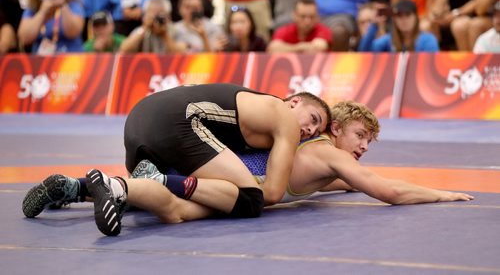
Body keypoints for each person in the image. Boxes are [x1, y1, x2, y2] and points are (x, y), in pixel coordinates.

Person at [23, 100, 473, 237]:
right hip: (234, 186)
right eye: (361, 137)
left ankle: (82, 187)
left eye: (370, 143)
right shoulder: (326, 149)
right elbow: (386, 190)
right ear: (337, 129)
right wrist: (442, 193)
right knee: (179, 209)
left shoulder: (318, 154)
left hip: (215, 172)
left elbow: (337, 184)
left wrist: (345, 186)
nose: (364, 148)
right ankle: (147, 181)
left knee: (172, 212)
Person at [22, 83, 330, 236]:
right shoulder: (285, 119)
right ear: (294, 102)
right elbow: (274, 193)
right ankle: (155, 179)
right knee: (250, 199)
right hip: (177, 123)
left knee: (162, 196)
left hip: (140, 121)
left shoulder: (256, 108)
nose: (311, 130)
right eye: (314, 118)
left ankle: (74, 188)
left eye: (318, 130)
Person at [17, 0, 84, 54]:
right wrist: (42, 11)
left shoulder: (73, 4)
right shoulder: (32, 9)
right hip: (41, 61)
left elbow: (73, 32)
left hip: (70, 59)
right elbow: (24, 38)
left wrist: (63, 6)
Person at [358, 0, 439, 52]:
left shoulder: (428, 39)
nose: (404, 20)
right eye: (399, 16)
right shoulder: (389, 39)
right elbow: (364, 53)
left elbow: (430, 65)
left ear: (416, 18)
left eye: (408, 15)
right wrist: (374, 25)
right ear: (394, 19)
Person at [267, 0, 332, 53]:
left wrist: (288, 48)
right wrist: (300, 47)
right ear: (294, 16)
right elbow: (272, 48)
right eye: (303, 17)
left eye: (311, 17)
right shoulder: (284, 31)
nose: (307, 21)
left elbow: (319, 49)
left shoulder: (323, 30)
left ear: (317, 17)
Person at [119, 0, 183, 54]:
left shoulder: (176, 29)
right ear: (145, 16)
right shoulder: (141, 31)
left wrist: (164, 35)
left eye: (160, 15)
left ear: (169, 16)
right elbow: (124, 50)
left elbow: (182, 53)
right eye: (152, 14)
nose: (156, 19)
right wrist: (144, 28)